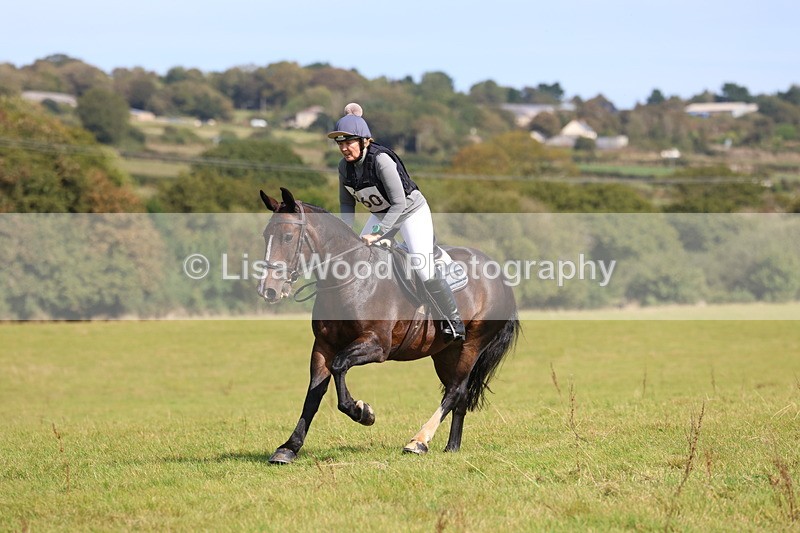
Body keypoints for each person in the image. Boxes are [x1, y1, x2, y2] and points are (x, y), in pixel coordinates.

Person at [328, 103, 465, 343]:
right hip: (382, 214)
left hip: (410, 212)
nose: (344, 148)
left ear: (365, 141)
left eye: (349, 142)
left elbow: (399, 204)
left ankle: (453, 321)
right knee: (357, 256)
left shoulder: (381, 161)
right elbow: (347, 205)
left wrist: (378, 233)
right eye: (340, 143)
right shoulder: (344, 168)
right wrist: (346, 235)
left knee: (422, 265)